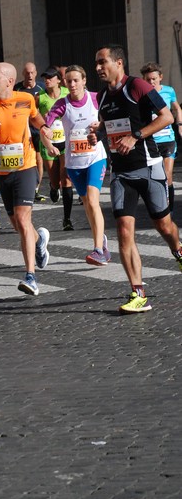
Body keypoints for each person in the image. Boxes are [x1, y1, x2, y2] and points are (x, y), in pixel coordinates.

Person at [89, 44, 182, 313]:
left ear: (118, 62)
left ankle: (178, 249)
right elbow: (110, 125)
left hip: (149, 167)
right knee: (123, 231)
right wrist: (100, 134)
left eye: (102, 62)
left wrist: (137, 135)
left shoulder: (138, 86)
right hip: (120, 173)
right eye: (96, 63)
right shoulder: (103, 97)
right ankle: (138, 293)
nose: (98, 68)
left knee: (164, 227)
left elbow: (166, 117)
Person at [0, 61, 51, 296]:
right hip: (2, 172)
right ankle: (39, 240)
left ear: (10, 81)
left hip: (26, 167)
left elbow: (35, 118)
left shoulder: (25, 99)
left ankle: (31, 277)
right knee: (17, 225)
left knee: (24, 220)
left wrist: (44, 129)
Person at [44, 65, 110, 265]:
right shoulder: (61, 104)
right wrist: (48, 145)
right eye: (68, 81)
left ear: (84, 81)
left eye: (76, 80)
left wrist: (101, 126)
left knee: (92, 200)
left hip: (95, 158)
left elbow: (111, 118)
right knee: (89, 208)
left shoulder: (96, 99)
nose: (72, 84)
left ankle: (98, 249)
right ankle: (102, 242)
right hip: (74, 163)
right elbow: (45, 127)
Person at [140, 62, 182, 214]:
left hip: (168, 140)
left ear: (160, 78)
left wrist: (180, 125)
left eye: (154, 79)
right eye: (148, 79)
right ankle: (159, 205)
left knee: (167, 175)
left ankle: (168, 210)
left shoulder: (169, 91)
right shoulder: (142, 95)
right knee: (155, 177)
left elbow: (177, 108)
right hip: (151, 142)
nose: (151, 82)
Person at [38, 66, 74, 229]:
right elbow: (32, 115)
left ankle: (67, 219)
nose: (47, 80)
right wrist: (42, 121)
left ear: (59, 80)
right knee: (55, 179)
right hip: (49, 142)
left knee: (66, 178)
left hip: (66, 141)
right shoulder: (40, 97)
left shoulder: (67, 93)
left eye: (51, 77)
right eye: (45, 78)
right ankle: (53, 188)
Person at [14, 62, 45, 202]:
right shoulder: (17, 89)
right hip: (22, 129)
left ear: (36, 73)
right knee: (25, 157)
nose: (30, 75)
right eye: (27, 73)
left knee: (38, 158)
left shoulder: (42, 88)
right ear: (23, 74)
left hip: (37, 128)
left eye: (32, 73)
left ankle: (36, 189)